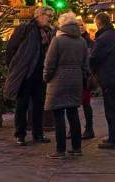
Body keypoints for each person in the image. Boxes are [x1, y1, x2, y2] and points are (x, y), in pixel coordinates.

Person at [5, 6, 54, 146]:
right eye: (48, 15)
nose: (50, 18)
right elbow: (11, 48)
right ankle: (20, 134)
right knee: (22, 105)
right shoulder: (26, 28)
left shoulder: (49, 32)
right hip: (26, 73)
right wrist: (14, 66)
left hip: (40, 74)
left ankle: (38, 133)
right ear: (39, 15)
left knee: (38, 105)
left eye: (52, 16)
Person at [43, 13, 88, 159]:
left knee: (59, 115)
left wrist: (46, 77)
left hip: (58, 81)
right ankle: (77, 147)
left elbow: (49, 63)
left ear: (62, 25)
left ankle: (60, 150)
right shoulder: (81, 41)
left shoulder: (57, 41)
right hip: (75, 81)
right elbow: (86, 64)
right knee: (73, 114)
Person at [89, 12, 115, 149]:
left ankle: (114, 139)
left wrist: (91, 70)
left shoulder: (103, 38)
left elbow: (94, 58)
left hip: (109, 78)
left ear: (98, 23)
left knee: (111, 109)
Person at [77, 17, 95, 139]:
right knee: (72, 105)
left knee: (86, 103)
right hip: (75, 76)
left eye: (81, 24)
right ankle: (74, 129)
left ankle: (89, 128)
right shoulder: (73, 39)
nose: (80, 27)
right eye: (77, 25)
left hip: (84, 77)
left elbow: (90, 59)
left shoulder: (88, 42)